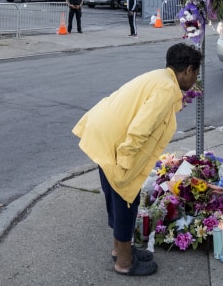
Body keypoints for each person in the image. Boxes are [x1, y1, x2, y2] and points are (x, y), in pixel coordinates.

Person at [72, 43, 202, 276]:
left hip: (105, 135)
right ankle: (124, 262)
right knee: (126, 201)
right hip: (118, 143)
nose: (195, 80)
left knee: (115, 197)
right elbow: (140, 129)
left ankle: (120, 249)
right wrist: (126, 160)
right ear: (188, 70)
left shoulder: (161, 77)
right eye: (196, 74)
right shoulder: (165, 89)